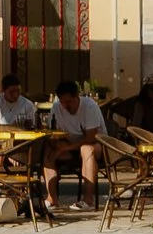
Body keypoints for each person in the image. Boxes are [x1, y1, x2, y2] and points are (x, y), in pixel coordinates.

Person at [44, 76, 110, 211]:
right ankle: (52, 198)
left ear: (77, 97)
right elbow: (52, 131)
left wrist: (66, 148)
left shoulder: (89, 106)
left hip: (97, 144)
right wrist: (57, 146)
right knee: (48, 152)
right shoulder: (57, 107)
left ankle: (88, 199)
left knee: (87, 150)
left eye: (69, 102)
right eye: (63, 102)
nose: (66, 106)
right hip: (70, 145)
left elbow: (91, 136)